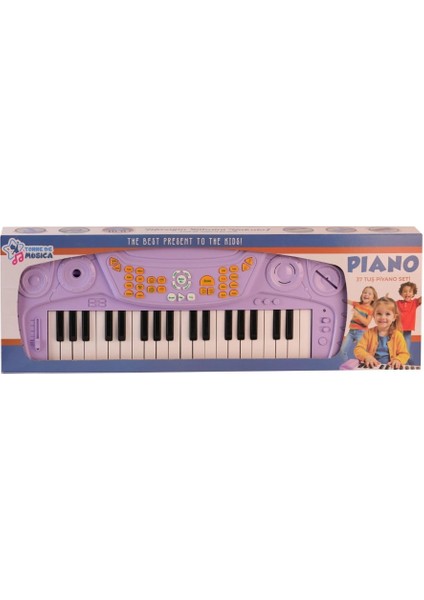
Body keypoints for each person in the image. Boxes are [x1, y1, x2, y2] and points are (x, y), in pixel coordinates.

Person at [354, 297, 409, 368]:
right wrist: (367, 356)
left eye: (387, 314)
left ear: (394, 317)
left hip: (390, 368)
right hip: (373, 367)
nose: (383, 317)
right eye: (379, 314)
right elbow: (358, 349)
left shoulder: (397, 335)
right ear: (374, 316)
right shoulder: (368, 333)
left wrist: (398, 360)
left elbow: (404, 354)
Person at [340, 286, 377, 360]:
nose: (366, 294)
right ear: (362, 294)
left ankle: (364, 362)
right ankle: (346, 363)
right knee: (342, 350)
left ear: (373, 298)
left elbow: (366, 323)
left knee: (361, 351)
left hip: (362, 333)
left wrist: (358, 315)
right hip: (351, 332)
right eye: (364, 292)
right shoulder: (356, 304)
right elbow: (346, 300)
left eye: (369, 293)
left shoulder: (371, 309)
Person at [396, 282, 421, 355]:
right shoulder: (398, 303)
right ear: (401, 294)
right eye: (405, 291)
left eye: (410, 291)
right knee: (398, 342)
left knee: (407, 343)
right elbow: (389, 304)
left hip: (408, 327)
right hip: (398, 327)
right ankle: (397, 355)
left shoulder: (414, 302)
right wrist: (386, 299)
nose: (407, 293)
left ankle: (405, 356)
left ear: (413, 293)